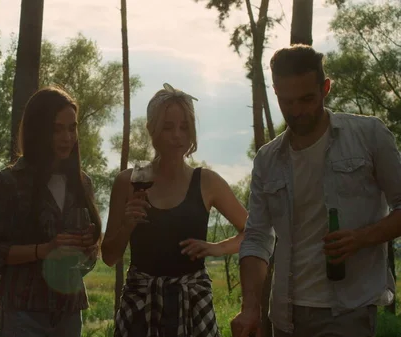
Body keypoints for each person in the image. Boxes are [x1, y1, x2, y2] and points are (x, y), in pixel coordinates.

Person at [230, 45, 401, 337]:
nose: (296, 111)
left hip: (349, 311)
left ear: (325, 88)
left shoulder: (369, 135)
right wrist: (250, 309)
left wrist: (361, 238)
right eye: (287, 101)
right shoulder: (267, 159)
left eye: (307, 99)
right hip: (285, 316)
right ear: (276, 93)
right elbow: (257, 237)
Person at [101, 83, 248, 337]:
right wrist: (127, 225)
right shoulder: (128, 181)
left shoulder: (207, 182)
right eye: (168, 127)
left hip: (194, 308)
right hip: (139, 307)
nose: (177, 135)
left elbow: (254, 232)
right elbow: (109, 256)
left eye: (184, 127)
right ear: (151, 129)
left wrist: (217, 248)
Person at [0, 86, 102, 337]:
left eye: (72, 128)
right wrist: (43, 251)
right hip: (22, 313)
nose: (67, 137)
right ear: (38, 131)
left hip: (69, 312)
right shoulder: (8, 183)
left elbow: (85, 261)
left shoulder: (82, 183)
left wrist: (89, 248)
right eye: (57, 129)